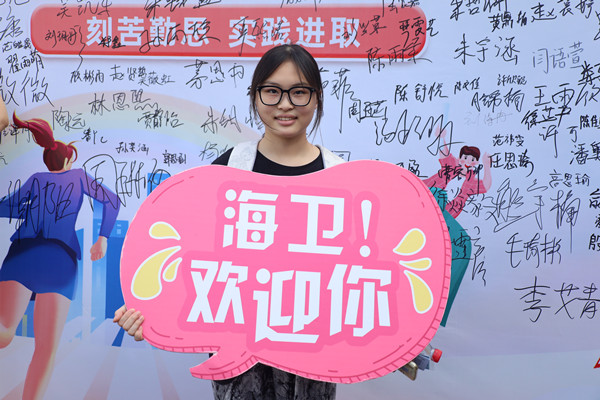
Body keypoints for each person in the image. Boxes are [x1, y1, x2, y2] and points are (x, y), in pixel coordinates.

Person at [114, 44, 343, 400]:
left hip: (313, 351)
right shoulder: (227, 168)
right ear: (255, 96)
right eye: (272, 91)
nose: (285, 104)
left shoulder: (341, 178)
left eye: (299, 92)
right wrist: (150, 313)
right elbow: (187, 252)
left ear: (317, 98)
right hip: (239, 355)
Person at [0, 113, 120, 400]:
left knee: (5, 332)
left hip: (22, 255)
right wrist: (102, 238)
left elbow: (5, 207)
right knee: (45, 349)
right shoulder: (79, 177)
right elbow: (112, 201)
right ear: (68, 161)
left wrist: (31, 210)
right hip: (59, 261)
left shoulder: (36, 180)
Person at [423, 126, 492, 218]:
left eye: (472, 160)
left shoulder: (471, 182)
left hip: (445, 213)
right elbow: (444, 153)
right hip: (426, 197)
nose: (468, 162)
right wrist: (441, 138)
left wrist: (487, 165)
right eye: (465, 158)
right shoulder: (452, 166)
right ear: (459, 159)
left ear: (476, 163)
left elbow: (486, 186)